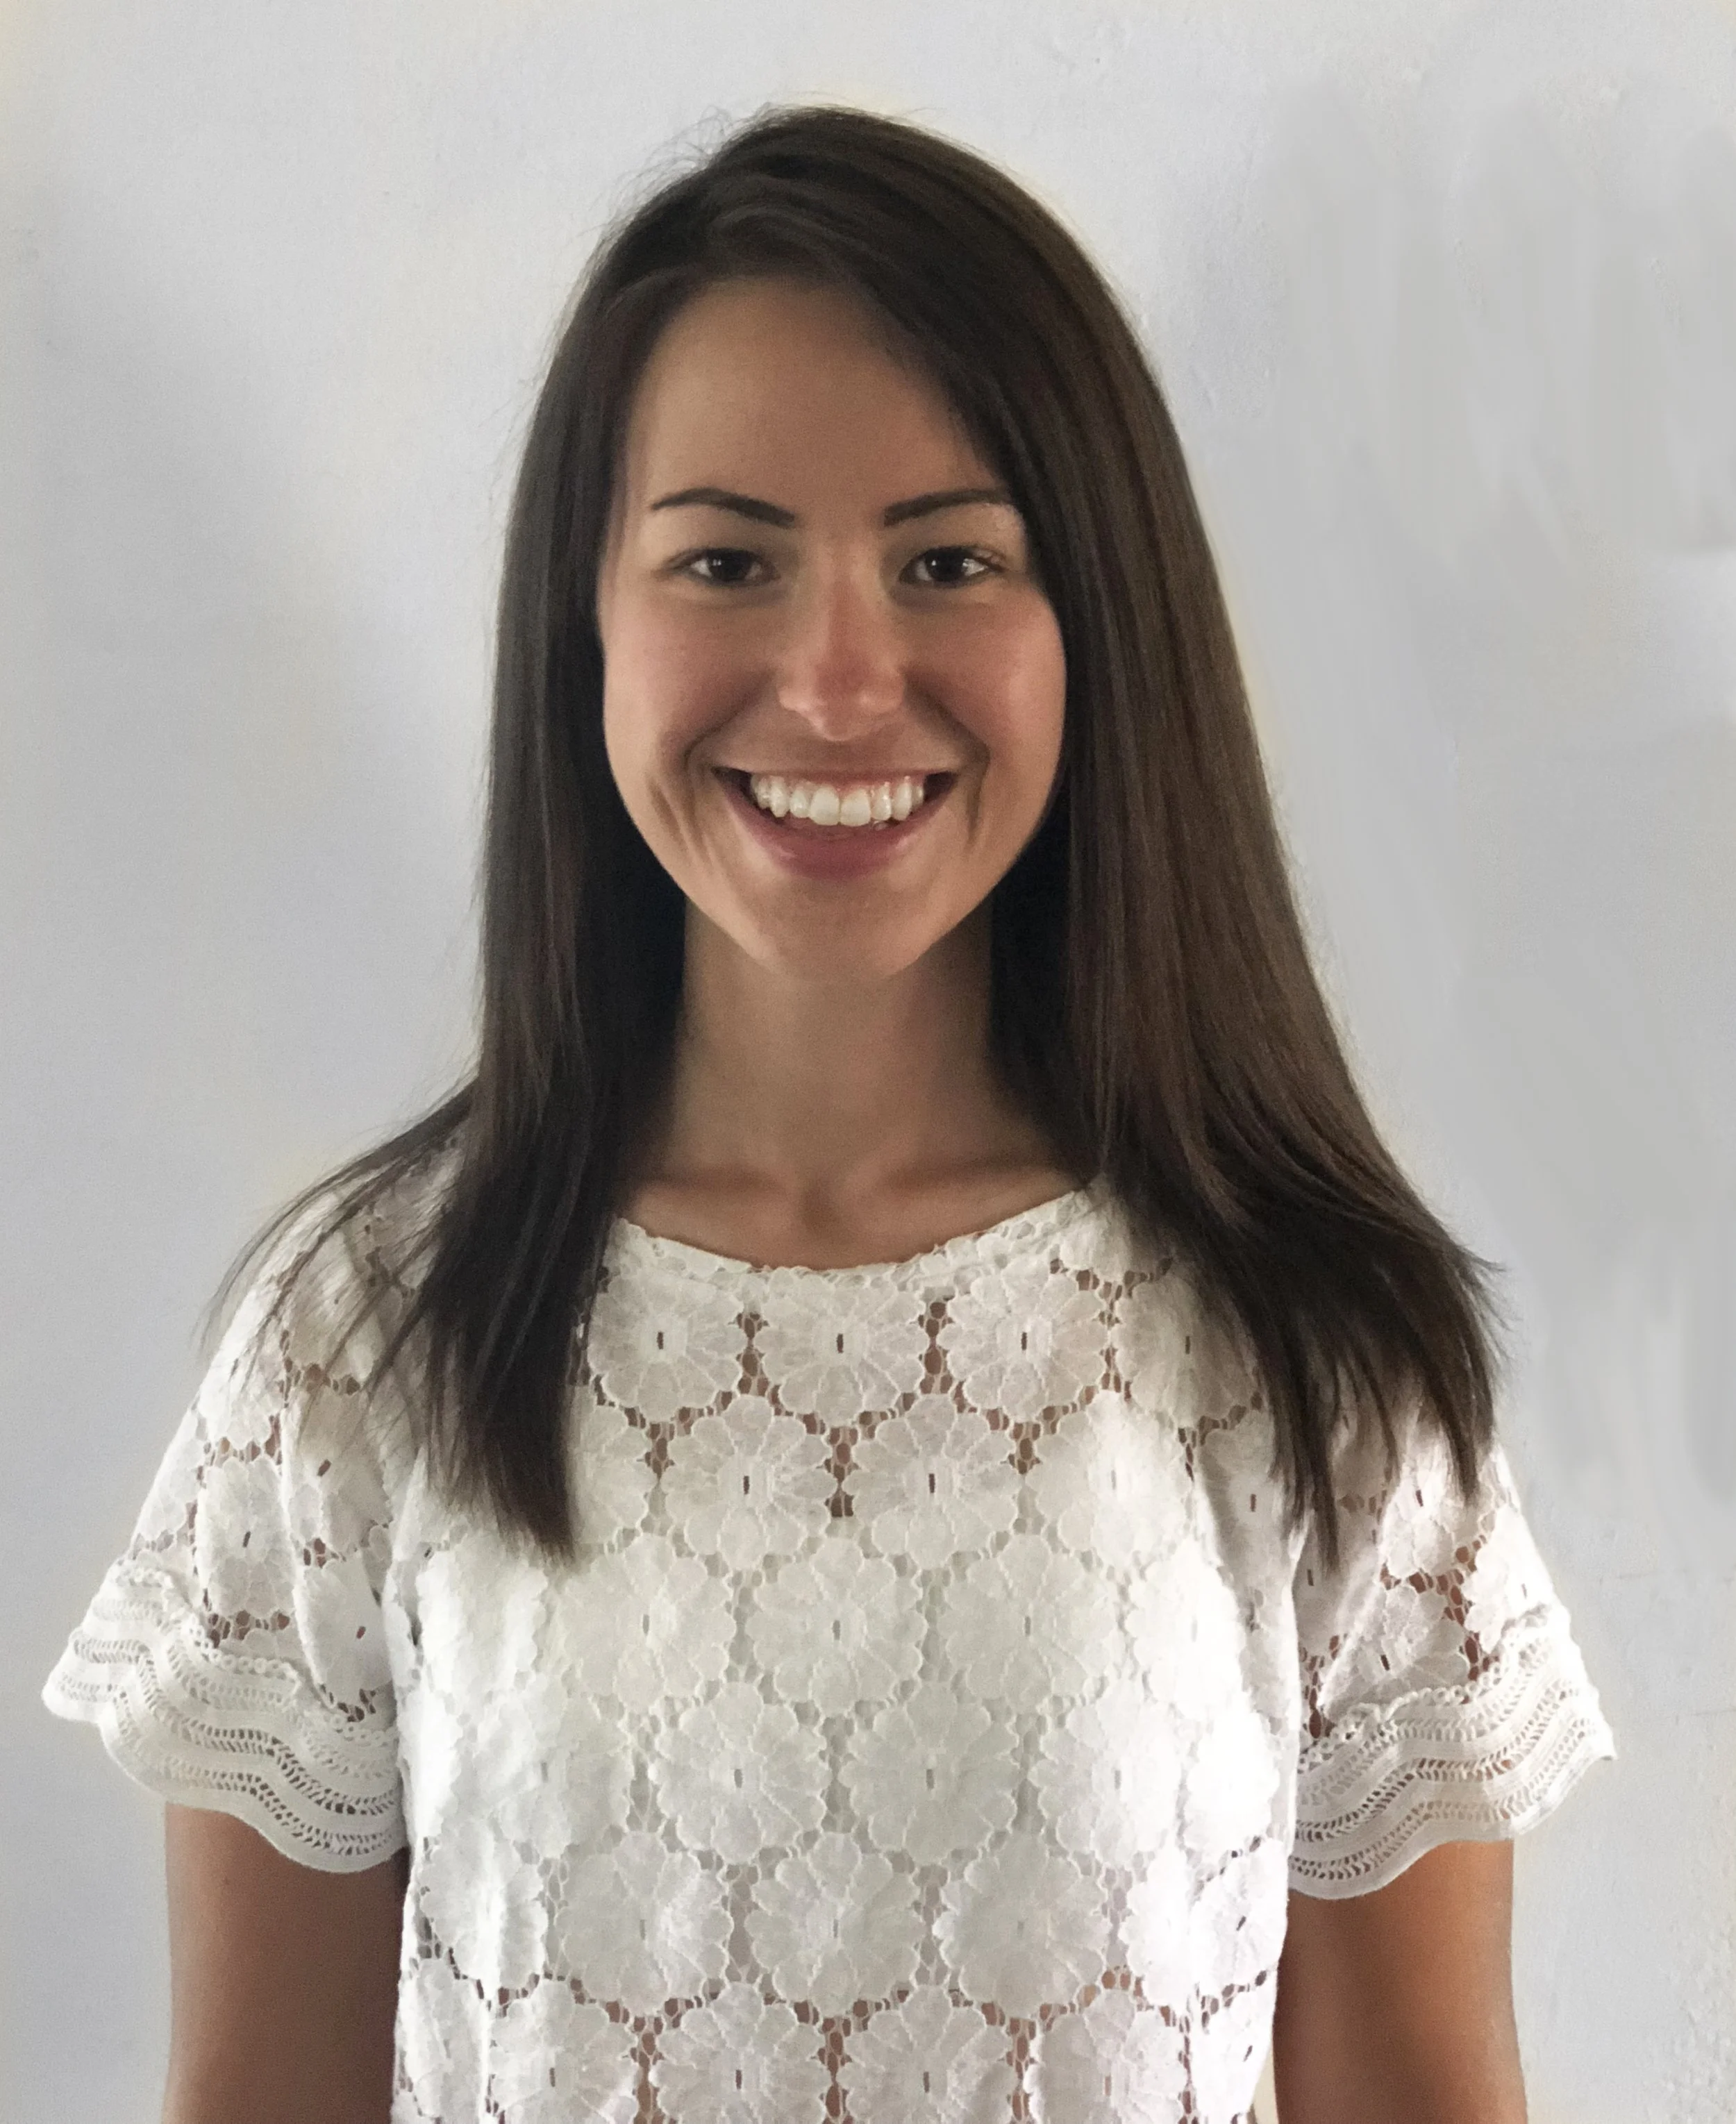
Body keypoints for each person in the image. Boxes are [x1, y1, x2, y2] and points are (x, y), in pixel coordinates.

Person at [44, 103, 1614, 2124]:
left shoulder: (1301, 1350)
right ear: (583, 629)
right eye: (726, 559)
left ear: (1098, 634)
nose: (840, 679)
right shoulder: (370, 1341)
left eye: (949, 558)